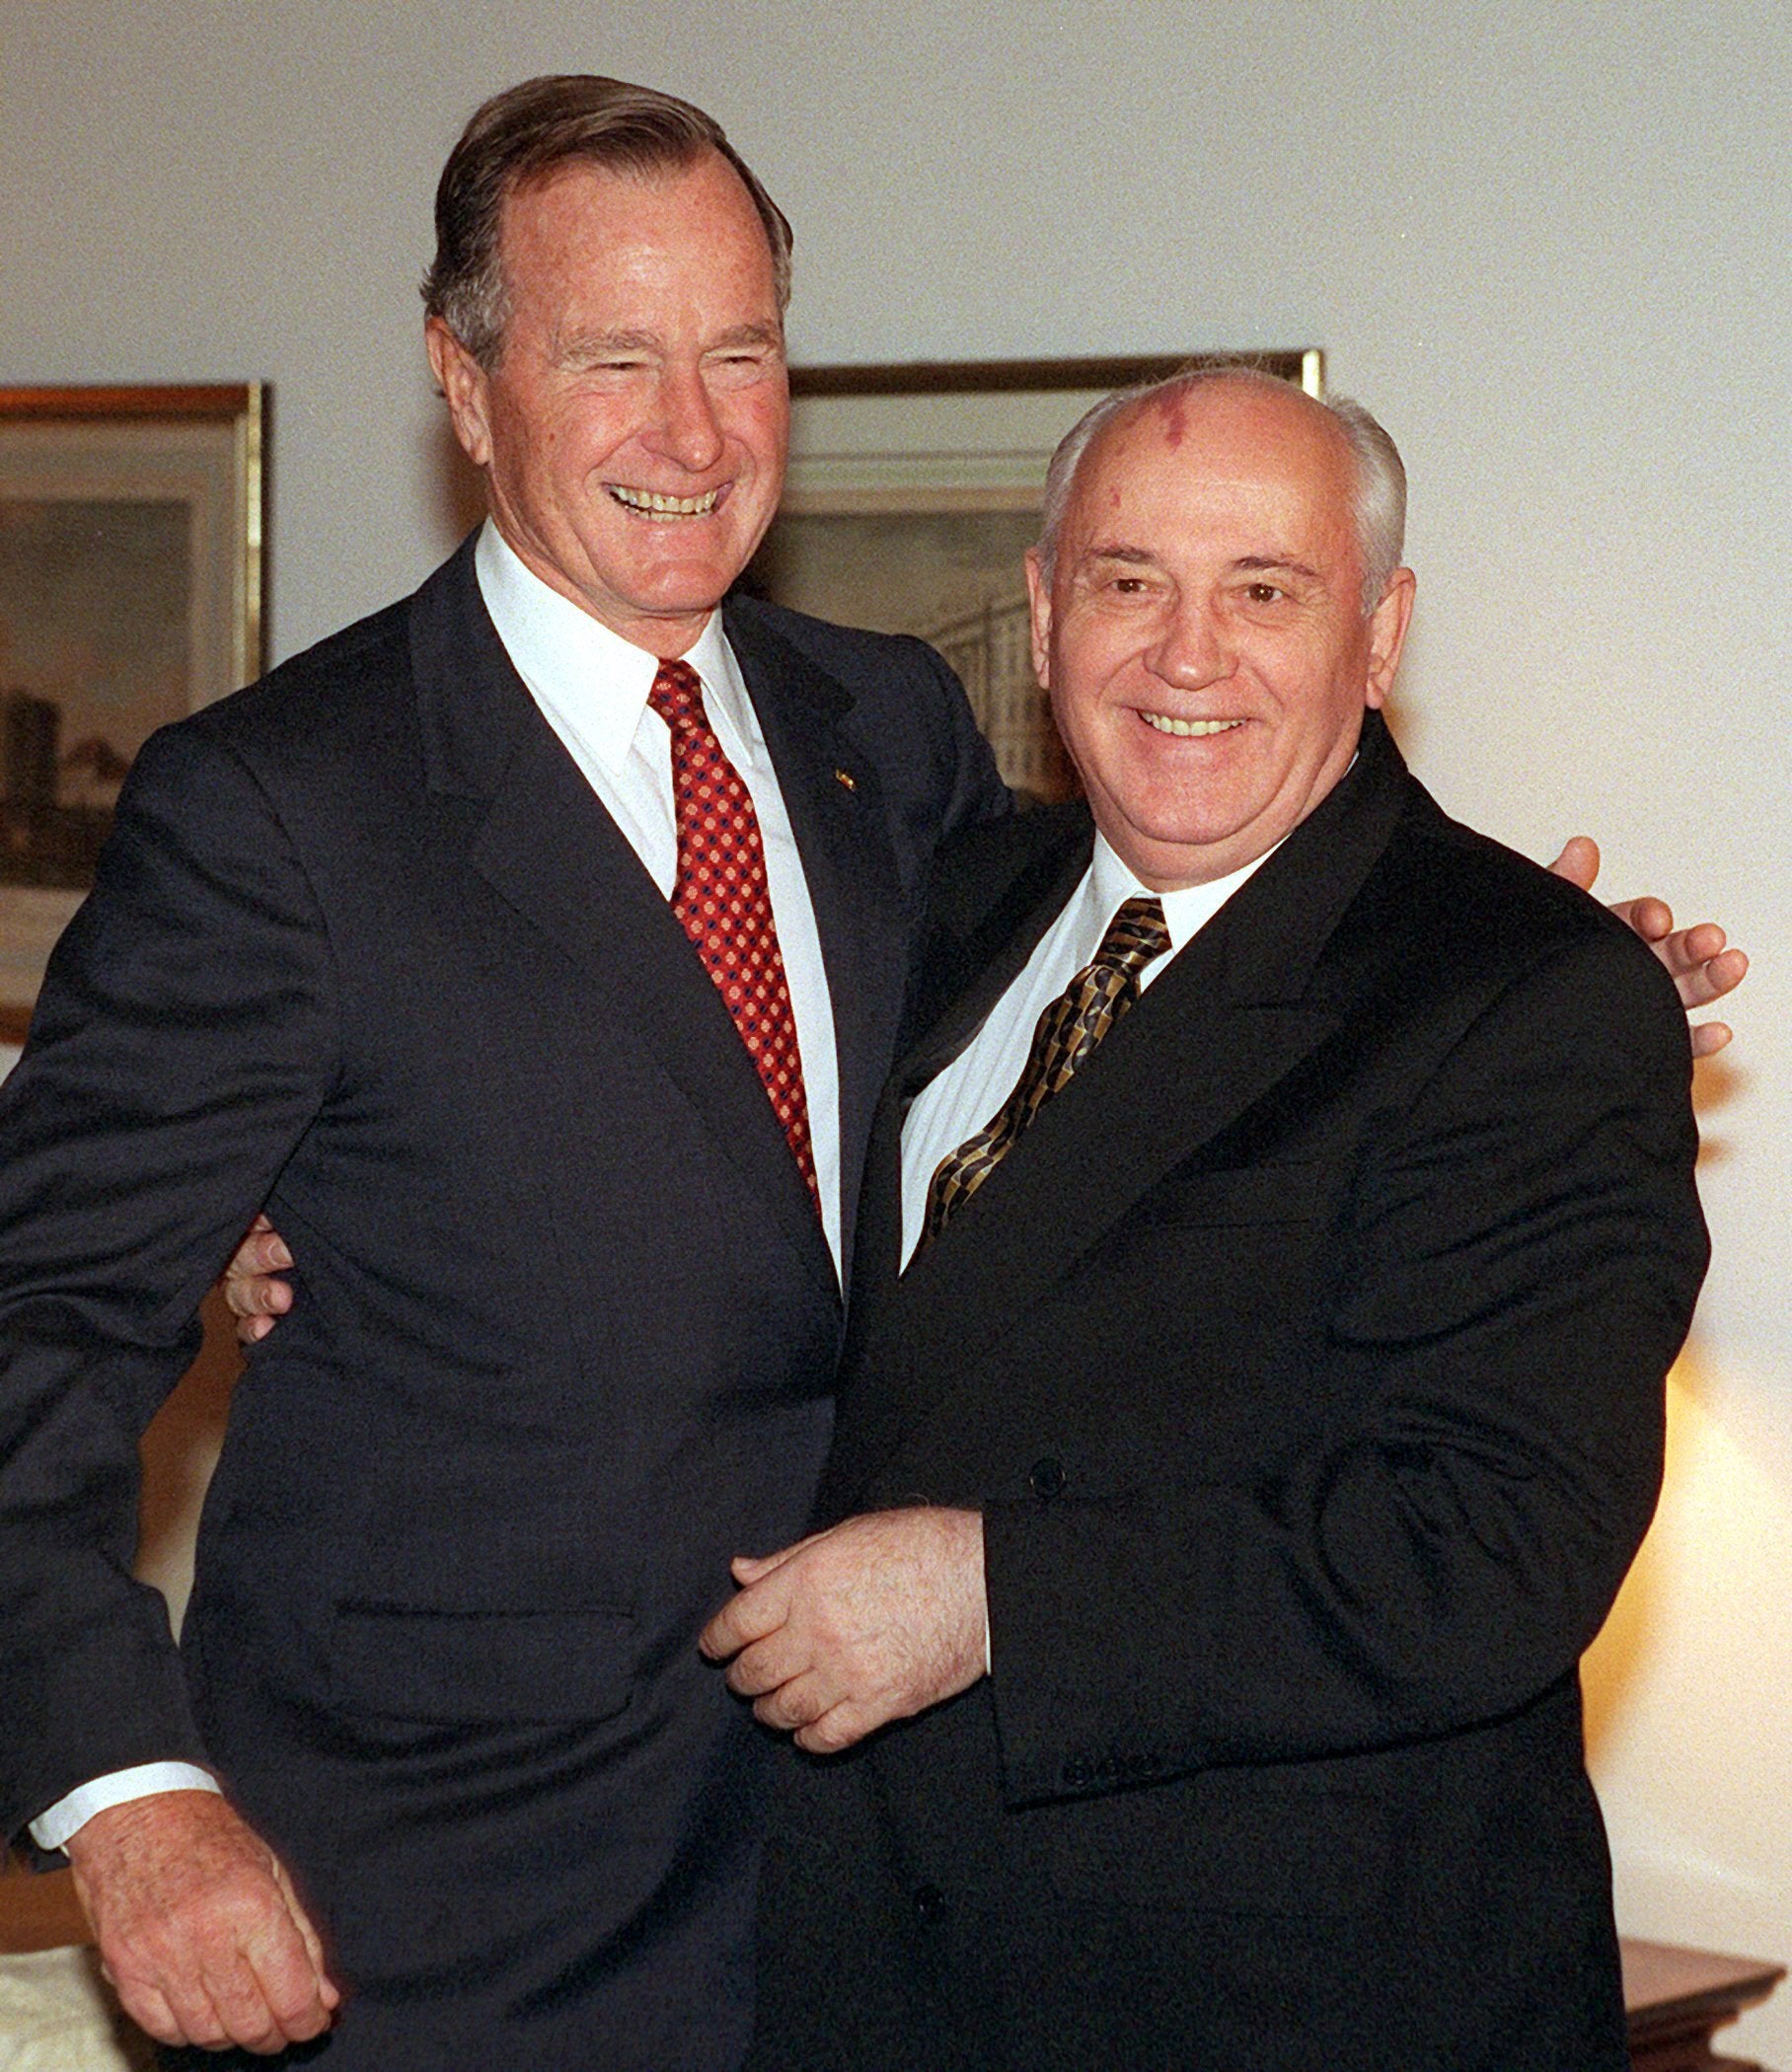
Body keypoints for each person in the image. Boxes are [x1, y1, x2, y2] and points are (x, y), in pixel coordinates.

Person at [0, 75, 1006, 2069]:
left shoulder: (885, 728)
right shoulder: (278, 810)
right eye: (613, 361)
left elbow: (1138, 1005)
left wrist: (1503, 983)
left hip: (872, 1895)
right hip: (441, 1923)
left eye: (739, 355)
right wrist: (132, 1806)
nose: (695, 435)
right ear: (463, 385)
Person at [700, 368, 1718, 2070]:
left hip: (1285, 2012)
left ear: (1381, 637)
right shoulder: (943, 910)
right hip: (860, 1976)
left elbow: (1493, 1543)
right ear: (1039, 615)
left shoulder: (1528, 994)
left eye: (1265, 591)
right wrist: (297, 1226)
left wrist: (993, 1597)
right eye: (1127, 581)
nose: (1187, 656)